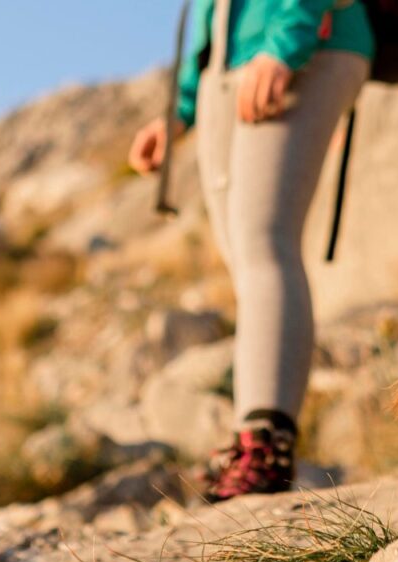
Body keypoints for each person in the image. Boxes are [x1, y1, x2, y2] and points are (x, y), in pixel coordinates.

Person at [128, 0, 373, 501]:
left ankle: (267, 445)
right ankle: (250, 442)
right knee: (245, 257)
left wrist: (286, 44)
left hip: (305, 41)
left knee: (265, 241)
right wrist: (181, 109)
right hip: (229, 65)